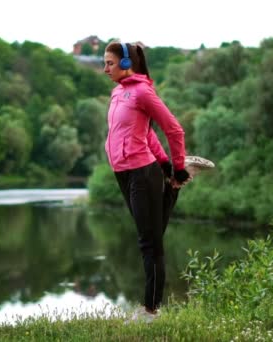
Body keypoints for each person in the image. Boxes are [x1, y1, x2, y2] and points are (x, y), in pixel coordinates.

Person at [103, 41, 204, 322]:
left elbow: (174, 129)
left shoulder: (142, 93)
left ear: (126, 64)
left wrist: (178, 165)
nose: (105, 69)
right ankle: (172, 185)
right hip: (123, 172)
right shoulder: (117, 93)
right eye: (105, 63)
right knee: (151, 233)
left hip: (141, 172)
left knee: (150, 243)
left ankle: (150, 311)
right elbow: (147, 134)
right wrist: (164, 163)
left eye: (110, 63)